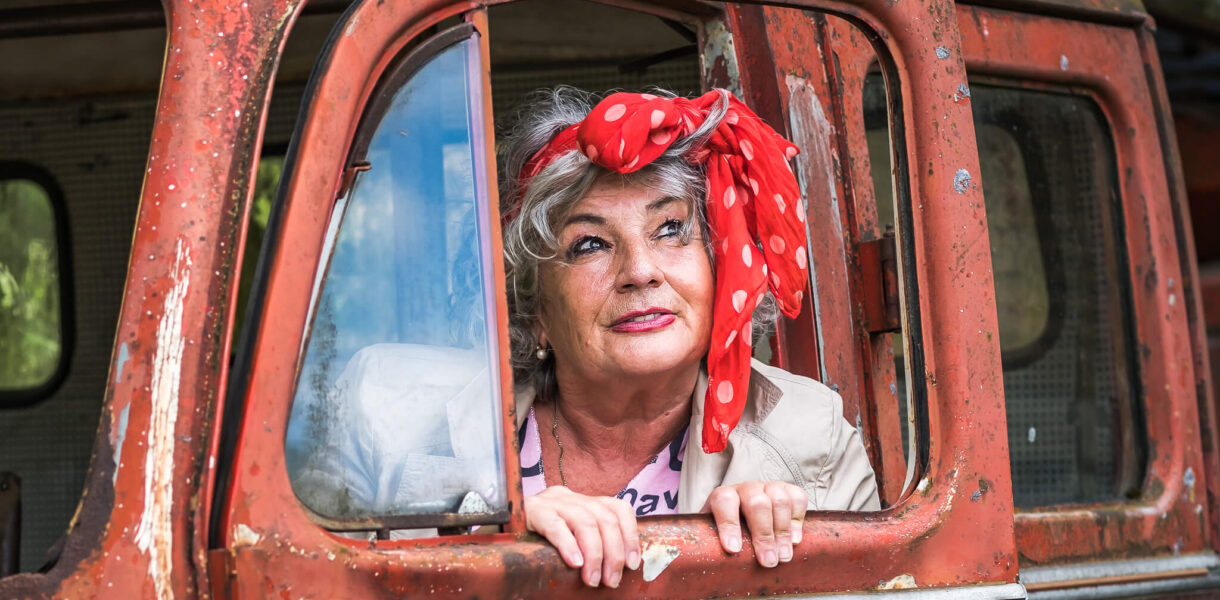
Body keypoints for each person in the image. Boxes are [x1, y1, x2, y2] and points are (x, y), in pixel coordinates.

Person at [500, 87, 879, 589]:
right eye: (590, 243)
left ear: (720, 266)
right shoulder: (443, 431)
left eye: (671, 229)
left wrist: (772, 567)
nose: (640, 271)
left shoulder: (813, 436)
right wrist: (495, 541)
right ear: (536, 305)